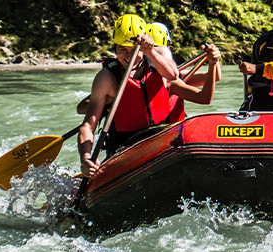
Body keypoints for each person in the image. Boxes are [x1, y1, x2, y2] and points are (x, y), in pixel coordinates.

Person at [78, 14, 221, 177]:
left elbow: (180, 80)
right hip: (126, 148)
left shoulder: (159, 70)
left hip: (162, 141)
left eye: (134, 50)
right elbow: (88, 126)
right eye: (122, 50)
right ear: (115, 48)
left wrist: (213, 64)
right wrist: (86, 157)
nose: (128, 55)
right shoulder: (106, 78)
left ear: (143, 48)